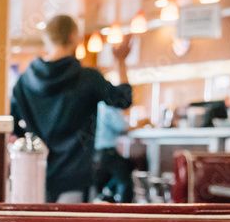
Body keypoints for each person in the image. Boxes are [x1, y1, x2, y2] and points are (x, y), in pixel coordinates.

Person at [10, 15, 133, 202]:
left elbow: (12, 125)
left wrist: (34, 140)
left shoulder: (24, 82)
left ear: (47, 39)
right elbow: (123, 100)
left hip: (35, 177)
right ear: (74, 37)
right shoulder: (88, 78)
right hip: (76, 179)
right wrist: (121, 62)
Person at [92, 102, 136, 203]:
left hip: (96, 152)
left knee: (109, 177)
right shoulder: (108, 106)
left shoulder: (97, 105)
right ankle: (124, 209)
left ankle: (105, 197)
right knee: (125, 179)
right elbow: (122, 126)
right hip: (107, 151)